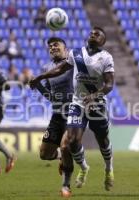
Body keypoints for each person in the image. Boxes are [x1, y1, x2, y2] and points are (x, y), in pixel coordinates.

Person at [30, 27, 115, 197]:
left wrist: (94, 95)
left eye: (56, 45)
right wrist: (40, 80)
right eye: (50, 46)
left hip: (86, 105)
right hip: (66, 110)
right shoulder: (62, 61)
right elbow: (54, 86)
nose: (92, 34)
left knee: (88, 141)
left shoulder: (95, 58)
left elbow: (107, 83)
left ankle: (100, 171)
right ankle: (78, 165)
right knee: (57, 149)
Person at [34, 37, 90, 194]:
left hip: (74, 112)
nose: (52, 47)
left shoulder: (73, 64)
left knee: (65, 146)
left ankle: (66, 186)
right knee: (44, 155)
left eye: (56, 45)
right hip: (57, 115)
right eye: (50, 46)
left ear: (65, 49)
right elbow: (50, 97)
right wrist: (38, 85)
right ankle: (59, 156)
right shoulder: (47, 68)